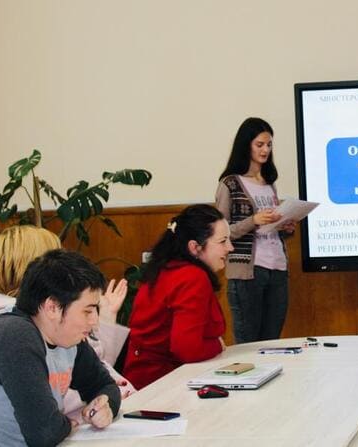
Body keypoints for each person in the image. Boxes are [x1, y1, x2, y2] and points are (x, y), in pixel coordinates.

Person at [0, 250, 121, 446]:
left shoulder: (67, 337)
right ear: (52, 307)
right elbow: (45, 433)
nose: (95, 321)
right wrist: (68, 424)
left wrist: (105, 404)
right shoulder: (13, 335)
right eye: (87, 311)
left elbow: (105, 386)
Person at [0, 225, 135, 416]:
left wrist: (105, 396)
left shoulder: (43, 319)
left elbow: (91, 371)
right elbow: (50, 405)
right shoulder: (15, 330)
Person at [122, 204, 232, 389]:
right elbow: (187, 349)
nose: (230, 247)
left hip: (143, 380)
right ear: (194, 247)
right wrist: (218, 345)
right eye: (223, 241)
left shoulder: (164, 269)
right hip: (161, 385)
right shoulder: (192, 277)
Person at [215, 117, 295, 344]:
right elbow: (220, 232)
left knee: (271, 342)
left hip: (277, 268)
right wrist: (254, 220)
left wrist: (285, 227)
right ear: (246, 145)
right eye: (259, 144)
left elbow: (269, 227)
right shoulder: (230, 183)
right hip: (248, 272)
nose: (265, 150)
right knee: (249, 344)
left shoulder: (269, 183)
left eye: (269, 144)